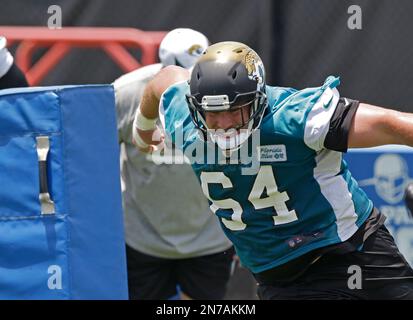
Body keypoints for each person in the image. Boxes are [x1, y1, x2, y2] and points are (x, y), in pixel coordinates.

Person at [134, 41, 413, 300]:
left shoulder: (295, 118)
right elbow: (165, 78)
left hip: (353, 248)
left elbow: (393, 125)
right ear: (196, 107)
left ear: (257, 100)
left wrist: (143, 131)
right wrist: (142, 130)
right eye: (213, 113)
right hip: (281, 278)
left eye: (235, 109)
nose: (224, 123)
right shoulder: (185, 122)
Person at [113, 29, 234, 300]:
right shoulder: (127, 93)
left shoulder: (230, 95)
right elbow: (93, 157)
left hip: (210, 239)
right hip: (142, 238)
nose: (195, 83)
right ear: (166, 69)